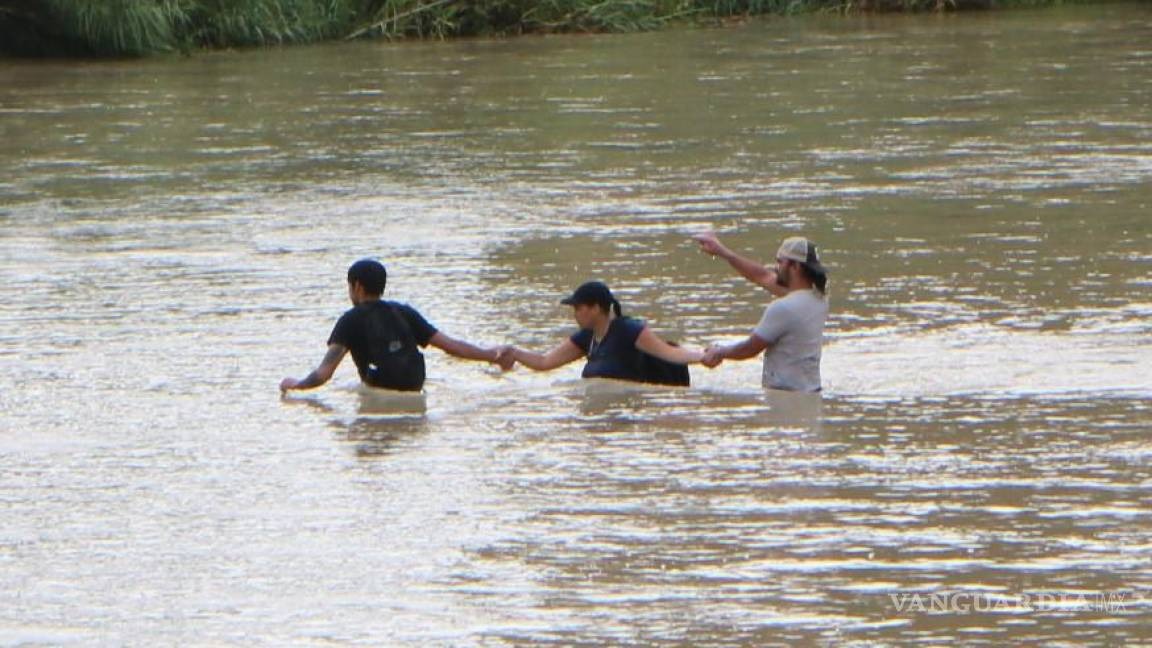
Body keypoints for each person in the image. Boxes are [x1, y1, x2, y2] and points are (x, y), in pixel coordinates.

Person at [280, 259, 511, 393]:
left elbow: (324, 373)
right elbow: (452, 346)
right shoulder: (404, 312)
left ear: (357, 287)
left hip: (381, 387)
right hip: (414, 384)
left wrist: (296, 385)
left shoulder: (350, 319)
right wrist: (492, 355)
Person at [692, 232, 829, 393]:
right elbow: (762, 276)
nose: (775, 267)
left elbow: (749, 349)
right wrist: (723, 252)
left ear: (795, 266)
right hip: (811, 392)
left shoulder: (783, 308)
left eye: (780, 262)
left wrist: (718, 351)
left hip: (784, 397)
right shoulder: (820, 299)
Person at [503, 281, 704, 385]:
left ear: (596, 308)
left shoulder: (628, 330)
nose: (575, 315)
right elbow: (544, 362)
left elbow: (670, 353)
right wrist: (514, 353)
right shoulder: (586, 337)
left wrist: (704, 356)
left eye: (578, 308)